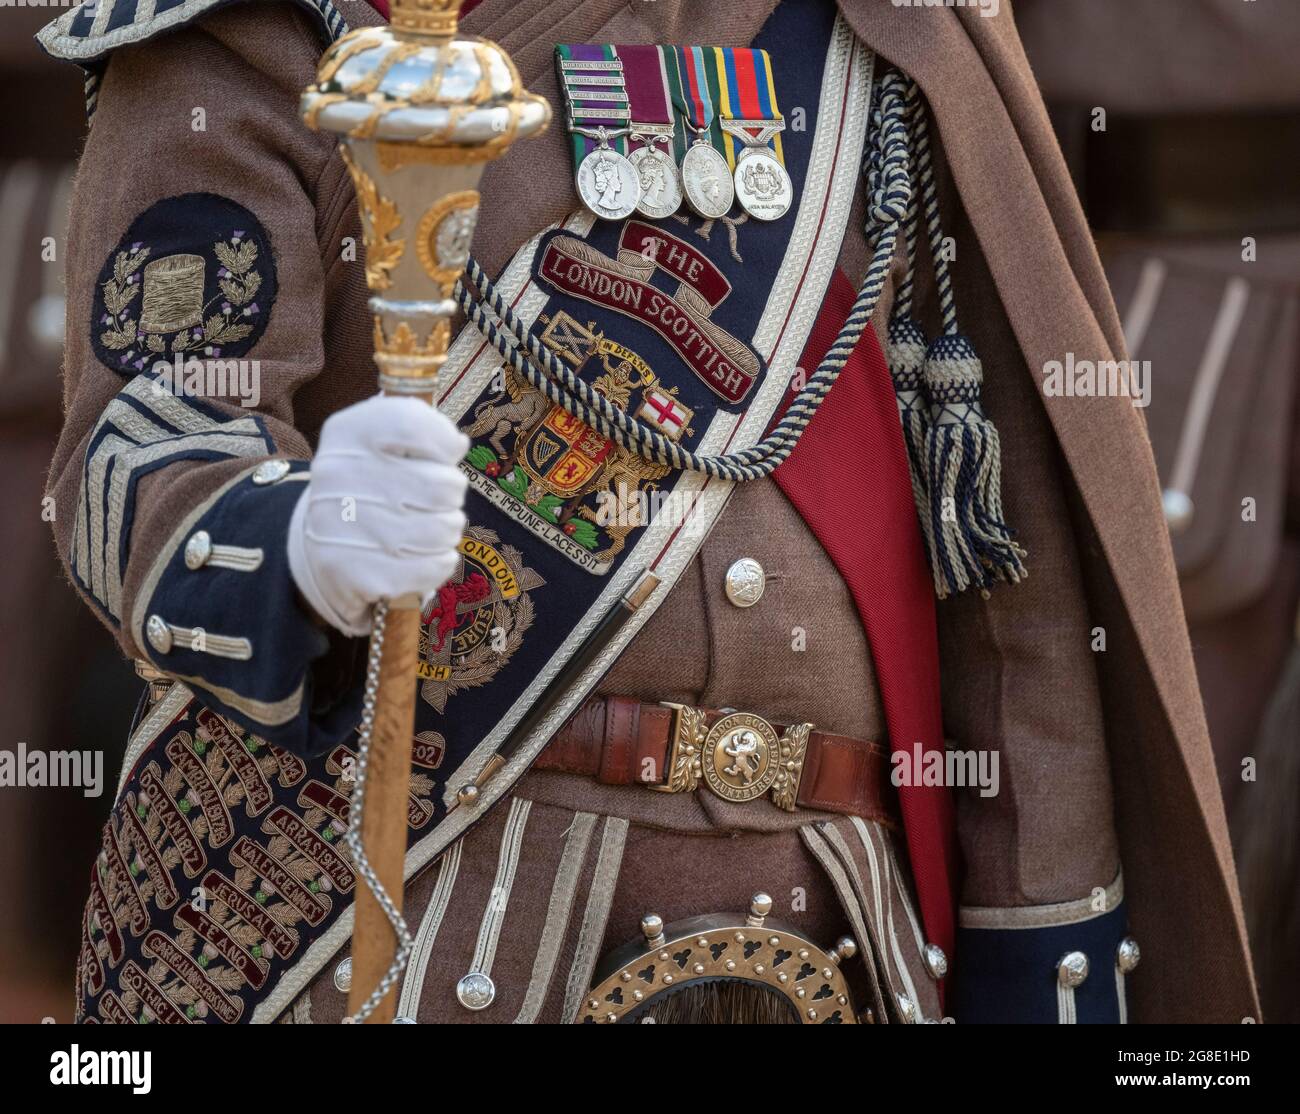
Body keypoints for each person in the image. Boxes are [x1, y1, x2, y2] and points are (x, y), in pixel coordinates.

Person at [39, 0, 1256, 1024]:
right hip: (408, 927)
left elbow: (1008, 588)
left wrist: (1041, 955)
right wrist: (288, 539)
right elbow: (145, 439)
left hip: (846, 934)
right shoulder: (259, 29)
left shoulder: (875, 37)